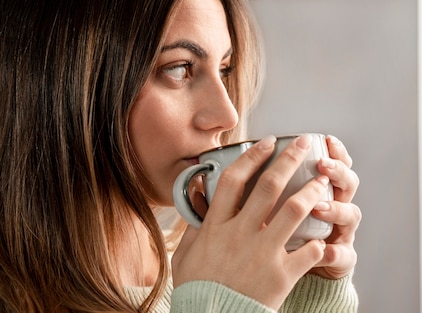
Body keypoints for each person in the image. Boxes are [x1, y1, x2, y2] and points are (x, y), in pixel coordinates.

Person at [0, 0, 361, 312]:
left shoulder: (215, 275)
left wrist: (305, 292)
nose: (228, 115)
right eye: (180, 68)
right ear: (69, 80)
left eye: (224, 70)